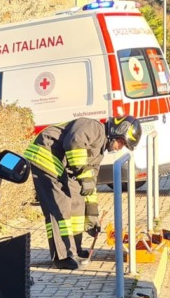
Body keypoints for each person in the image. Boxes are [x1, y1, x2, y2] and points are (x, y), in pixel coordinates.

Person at [22, 115, 141, 270]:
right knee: (60, 207)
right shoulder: (94, 127)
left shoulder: (99, 152)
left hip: (60, 165)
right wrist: (85, 176)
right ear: (116, 132)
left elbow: (90, 185)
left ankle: (74, 249)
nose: (120, 147)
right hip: (45, 157)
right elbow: (74, 142)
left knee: (77, 203)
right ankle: (62, 257)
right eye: (122, 142)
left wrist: (92, 217)